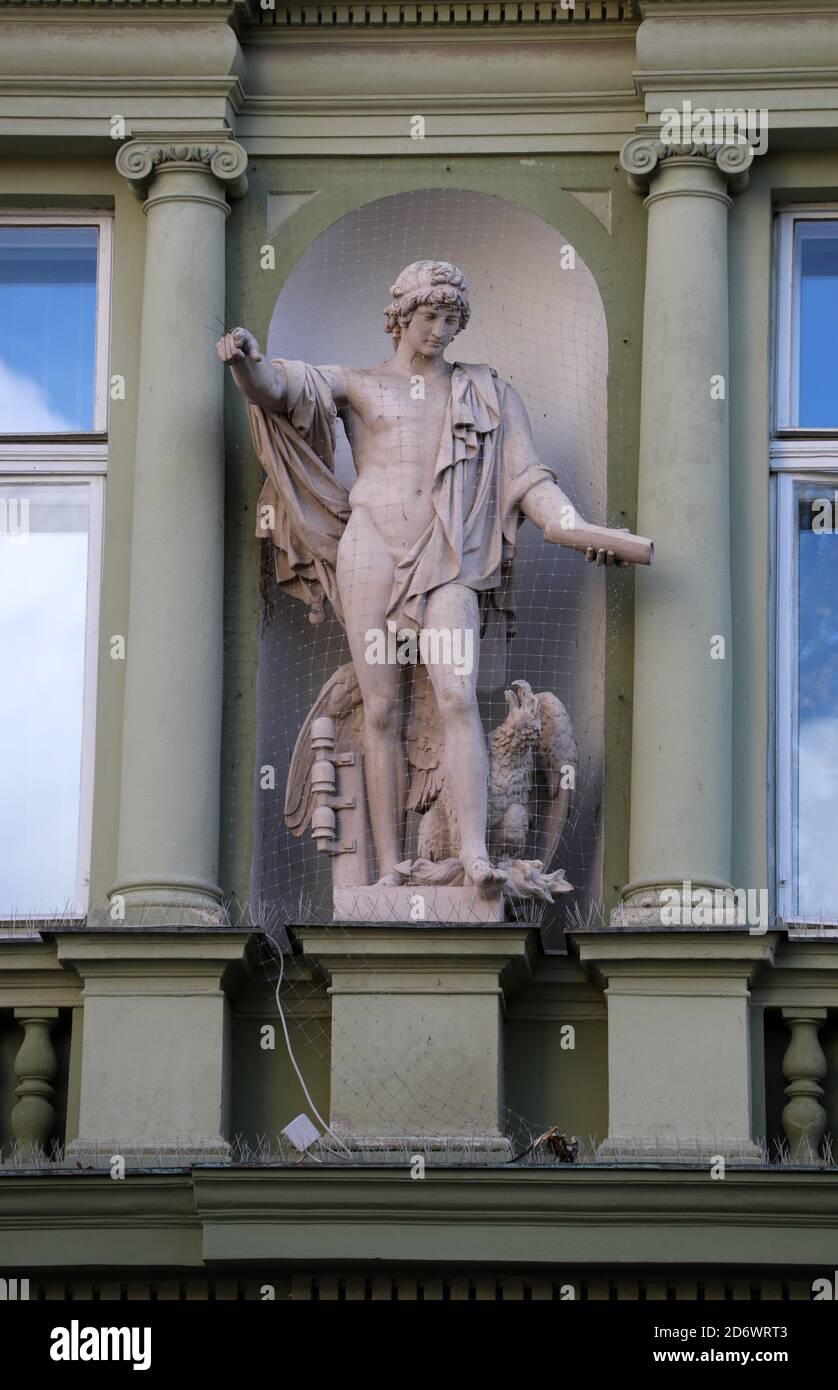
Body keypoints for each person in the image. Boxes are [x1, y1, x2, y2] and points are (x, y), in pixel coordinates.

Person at [217, 259, 637, 893]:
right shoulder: (358, 384)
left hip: (451, 555)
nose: (441, 330)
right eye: (429, 317)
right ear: (400, 318)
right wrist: (246, 364)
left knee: (456, 695)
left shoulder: (488, 391)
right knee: (381, 706)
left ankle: (473, 856)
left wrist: (575, 529)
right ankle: (390, 872)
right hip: (371, 546)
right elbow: (280, 389)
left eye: (451, 319)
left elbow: (529, 480)